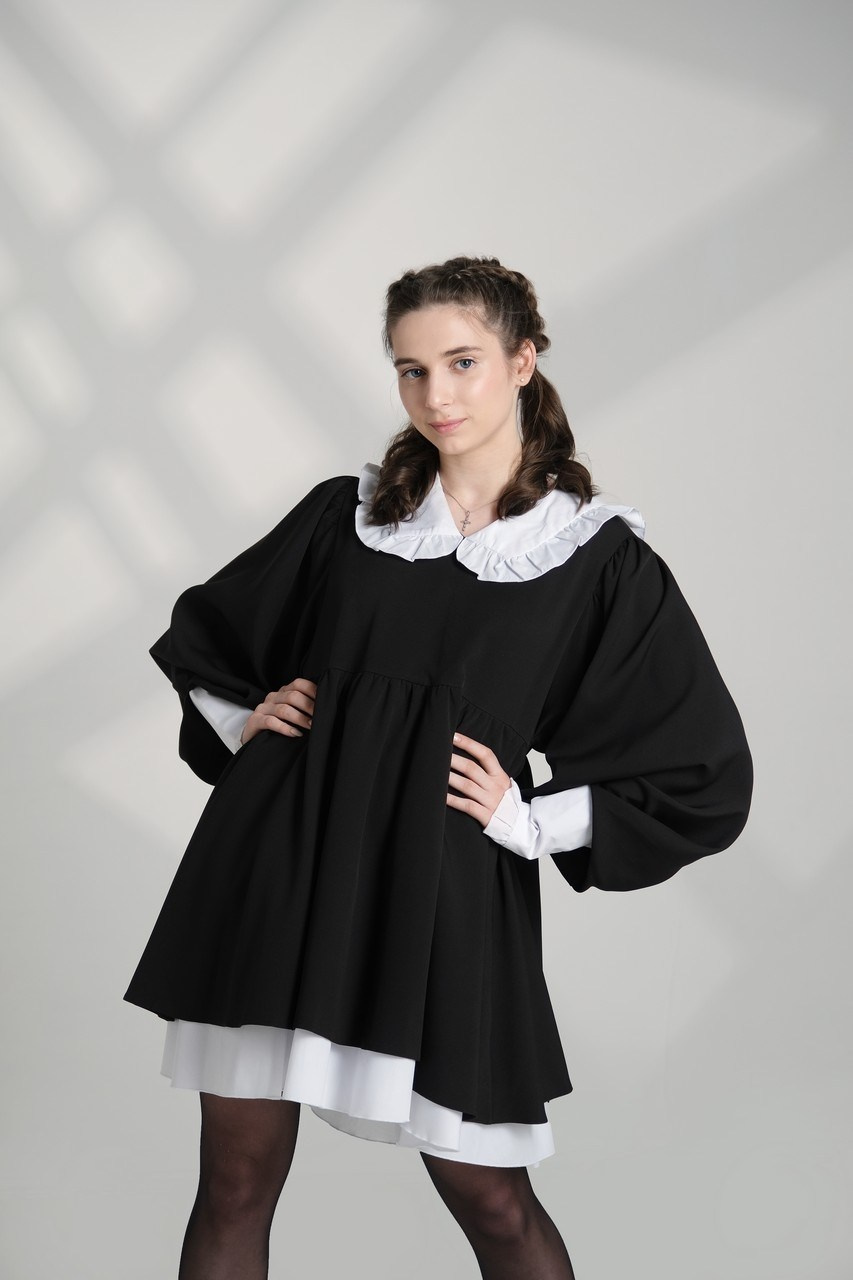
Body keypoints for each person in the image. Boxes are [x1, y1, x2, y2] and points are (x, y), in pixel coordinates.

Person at [125, 255, 753, 1279]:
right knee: (234, 1184)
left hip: (443, 895)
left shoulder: (594, 559)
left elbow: (701, 766)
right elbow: (208, 635)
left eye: (461, 362)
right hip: (280, 868)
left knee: (493, 1200)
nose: (435, 394)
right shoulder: (345, 517)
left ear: (522, 360)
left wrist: (530, 822)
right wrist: (247, 718)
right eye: (410, 369)